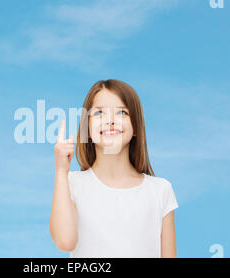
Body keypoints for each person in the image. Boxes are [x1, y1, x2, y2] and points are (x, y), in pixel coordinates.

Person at [49, 79, 179, 258]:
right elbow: (65, 242)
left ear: (135, 127)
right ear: (87, 127)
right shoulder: (72, 183)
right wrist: (60, 171)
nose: (110, 120)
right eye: (99, 113)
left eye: (121, 112)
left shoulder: (160, 190)